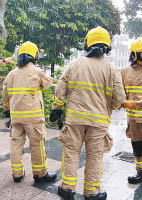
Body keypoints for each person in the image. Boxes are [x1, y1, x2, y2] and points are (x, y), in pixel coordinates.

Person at [50, 26, 126, 200]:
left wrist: (57, 108)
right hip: (98, 123)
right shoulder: (112, 70)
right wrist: (111, 106)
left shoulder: (74, 64)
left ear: (87, 44)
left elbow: (61, 88)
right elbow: (119, 99)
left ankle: (67, 189)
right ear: (107, 46)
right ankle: (91, 193)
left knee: (71, 153)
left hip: (75, 119)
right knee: (95, 156)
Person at [2, 41, 57, 183]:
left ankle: (17, 173)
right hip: (33, 118)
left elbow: (5, 96)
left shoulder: (11, 74)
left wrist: (7, 110)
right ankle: (40, 175)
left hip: (16, 117)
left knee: (16, 144)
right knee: (37, 145)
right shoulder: (37, 72)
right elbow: (48, 84)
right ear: (35, 56)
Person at [121, 37, 142, 184]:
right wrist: (122, 102)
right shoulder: (125, 72)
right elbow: (119, 92)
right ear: (135, 54)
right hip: (133, 118)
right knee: (137, 147)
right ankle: (141, 173)